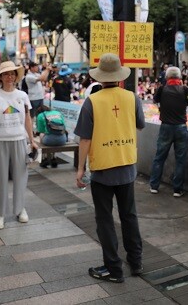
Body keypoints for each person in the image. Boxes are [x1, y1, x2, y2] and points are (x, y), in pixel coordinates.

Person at [74, 53, 145, 283]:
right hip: (126, 165)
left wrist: (80, 169)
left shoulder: (92, 101)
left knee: (104, 219)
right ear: (119, 76)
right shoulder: (132, 97)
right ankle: (136, 262)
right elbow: (140, 125)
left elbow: (85, 139)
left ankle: (114, 269)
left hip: (103, 169)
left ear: (101, 77)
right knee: (129, 216)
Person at [0, 61, 37, 230]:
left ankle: (20, 208)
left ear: (16, 76)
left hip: (19, 139)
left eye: (13, 74)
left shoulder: (22, 95)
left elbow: (27, 119)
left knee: (21, 177)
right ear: (0, 77)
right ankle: (0, 213)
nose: (10, 77)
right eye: (6, 74)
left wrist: (32, 140)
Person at [149, 66, 188, 197]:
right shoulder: (185, 89)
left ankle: (154, 186)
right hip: (181, 127)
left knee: (159, 157)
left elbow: (155, 100)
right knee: (180, 160)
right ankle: (177, 190)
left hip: (166, 127)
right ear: (179, 77)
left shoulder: (162, 88)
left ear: (167, 77)